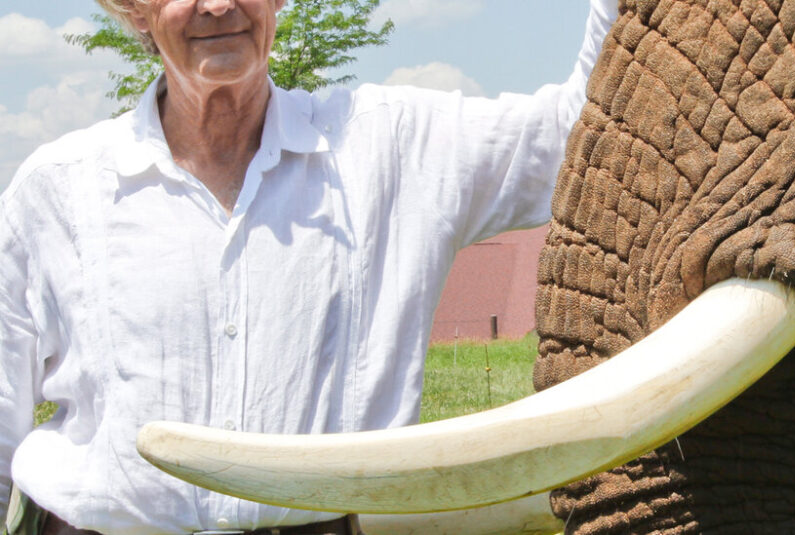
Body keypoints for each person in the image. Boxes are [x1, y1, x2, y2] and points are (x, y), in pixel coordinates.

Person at [0, 0, 617, 533]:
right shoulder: (56, 191)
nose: (217, 5)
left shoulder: (391, 147)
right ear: (134, 9)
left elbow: (584, 128)